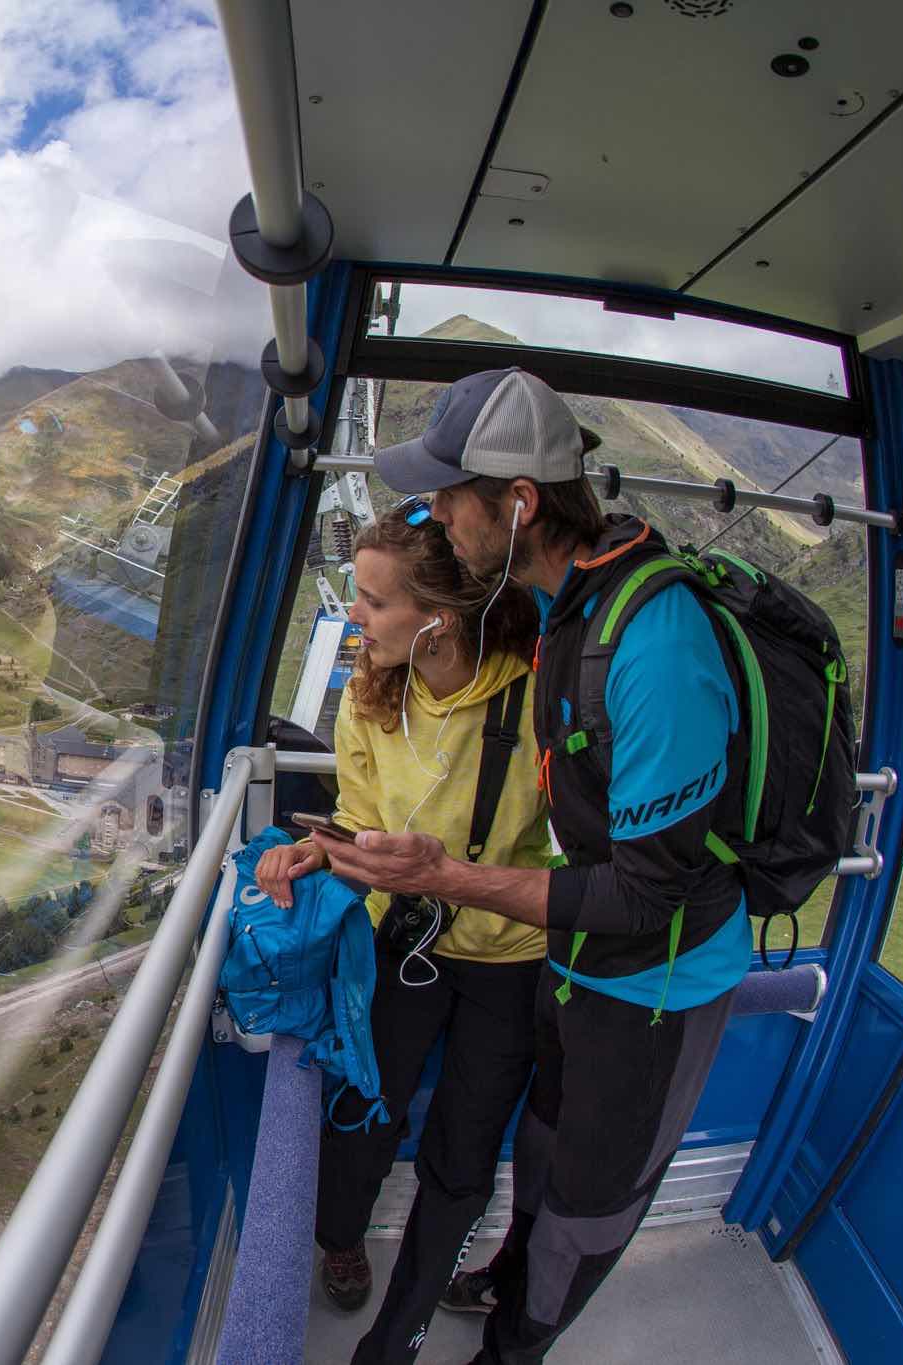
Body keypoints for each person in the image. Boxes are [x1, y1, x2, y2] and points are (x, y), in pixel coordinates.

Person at [315, 367, 749, 1364]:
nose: (438, 521)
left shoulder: (649, 641)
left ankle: (510, 1348)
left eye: (447, 499)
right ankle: (482, 1303)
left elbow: (645, 894)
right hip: (575, 965)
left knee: (584, 1204)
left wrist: (444, 879)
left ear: (515, 505)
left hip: (656, 983)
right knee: (543, 1154)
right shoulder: (563, 613)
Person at [254, 504, 550, 1364]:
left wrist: (452, 874)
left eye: (375, 603)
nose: (355, 616)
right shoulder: (370, 700)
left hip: (507, 959)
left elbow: (569, 850)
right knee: (362, 1115)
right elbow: (358, 818)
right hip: (401, 942)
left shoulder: (534, 701)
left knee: (464, 1152)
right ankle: (342, 1235)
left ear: (438, 619)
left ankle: (398, 1337)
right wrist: (316, 849)